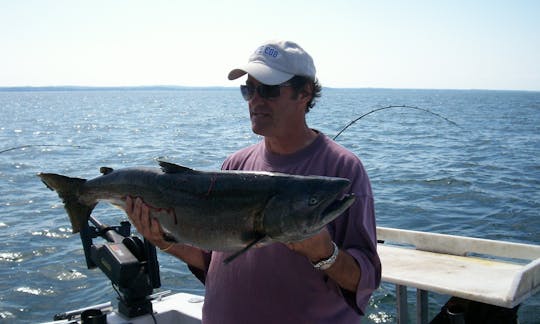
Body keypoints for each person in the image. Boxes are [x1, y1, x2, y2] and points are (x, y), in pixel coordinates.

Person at [125, 40, 381, 323]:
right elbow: (213, 261)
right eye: (249, 89)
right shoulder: (235, 164)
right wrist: (163, 240)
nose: (256, 100)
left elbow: (364, 281)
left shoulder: (343, 170)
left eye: (269, 89)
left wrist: (324, 253)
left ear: (304, 93)